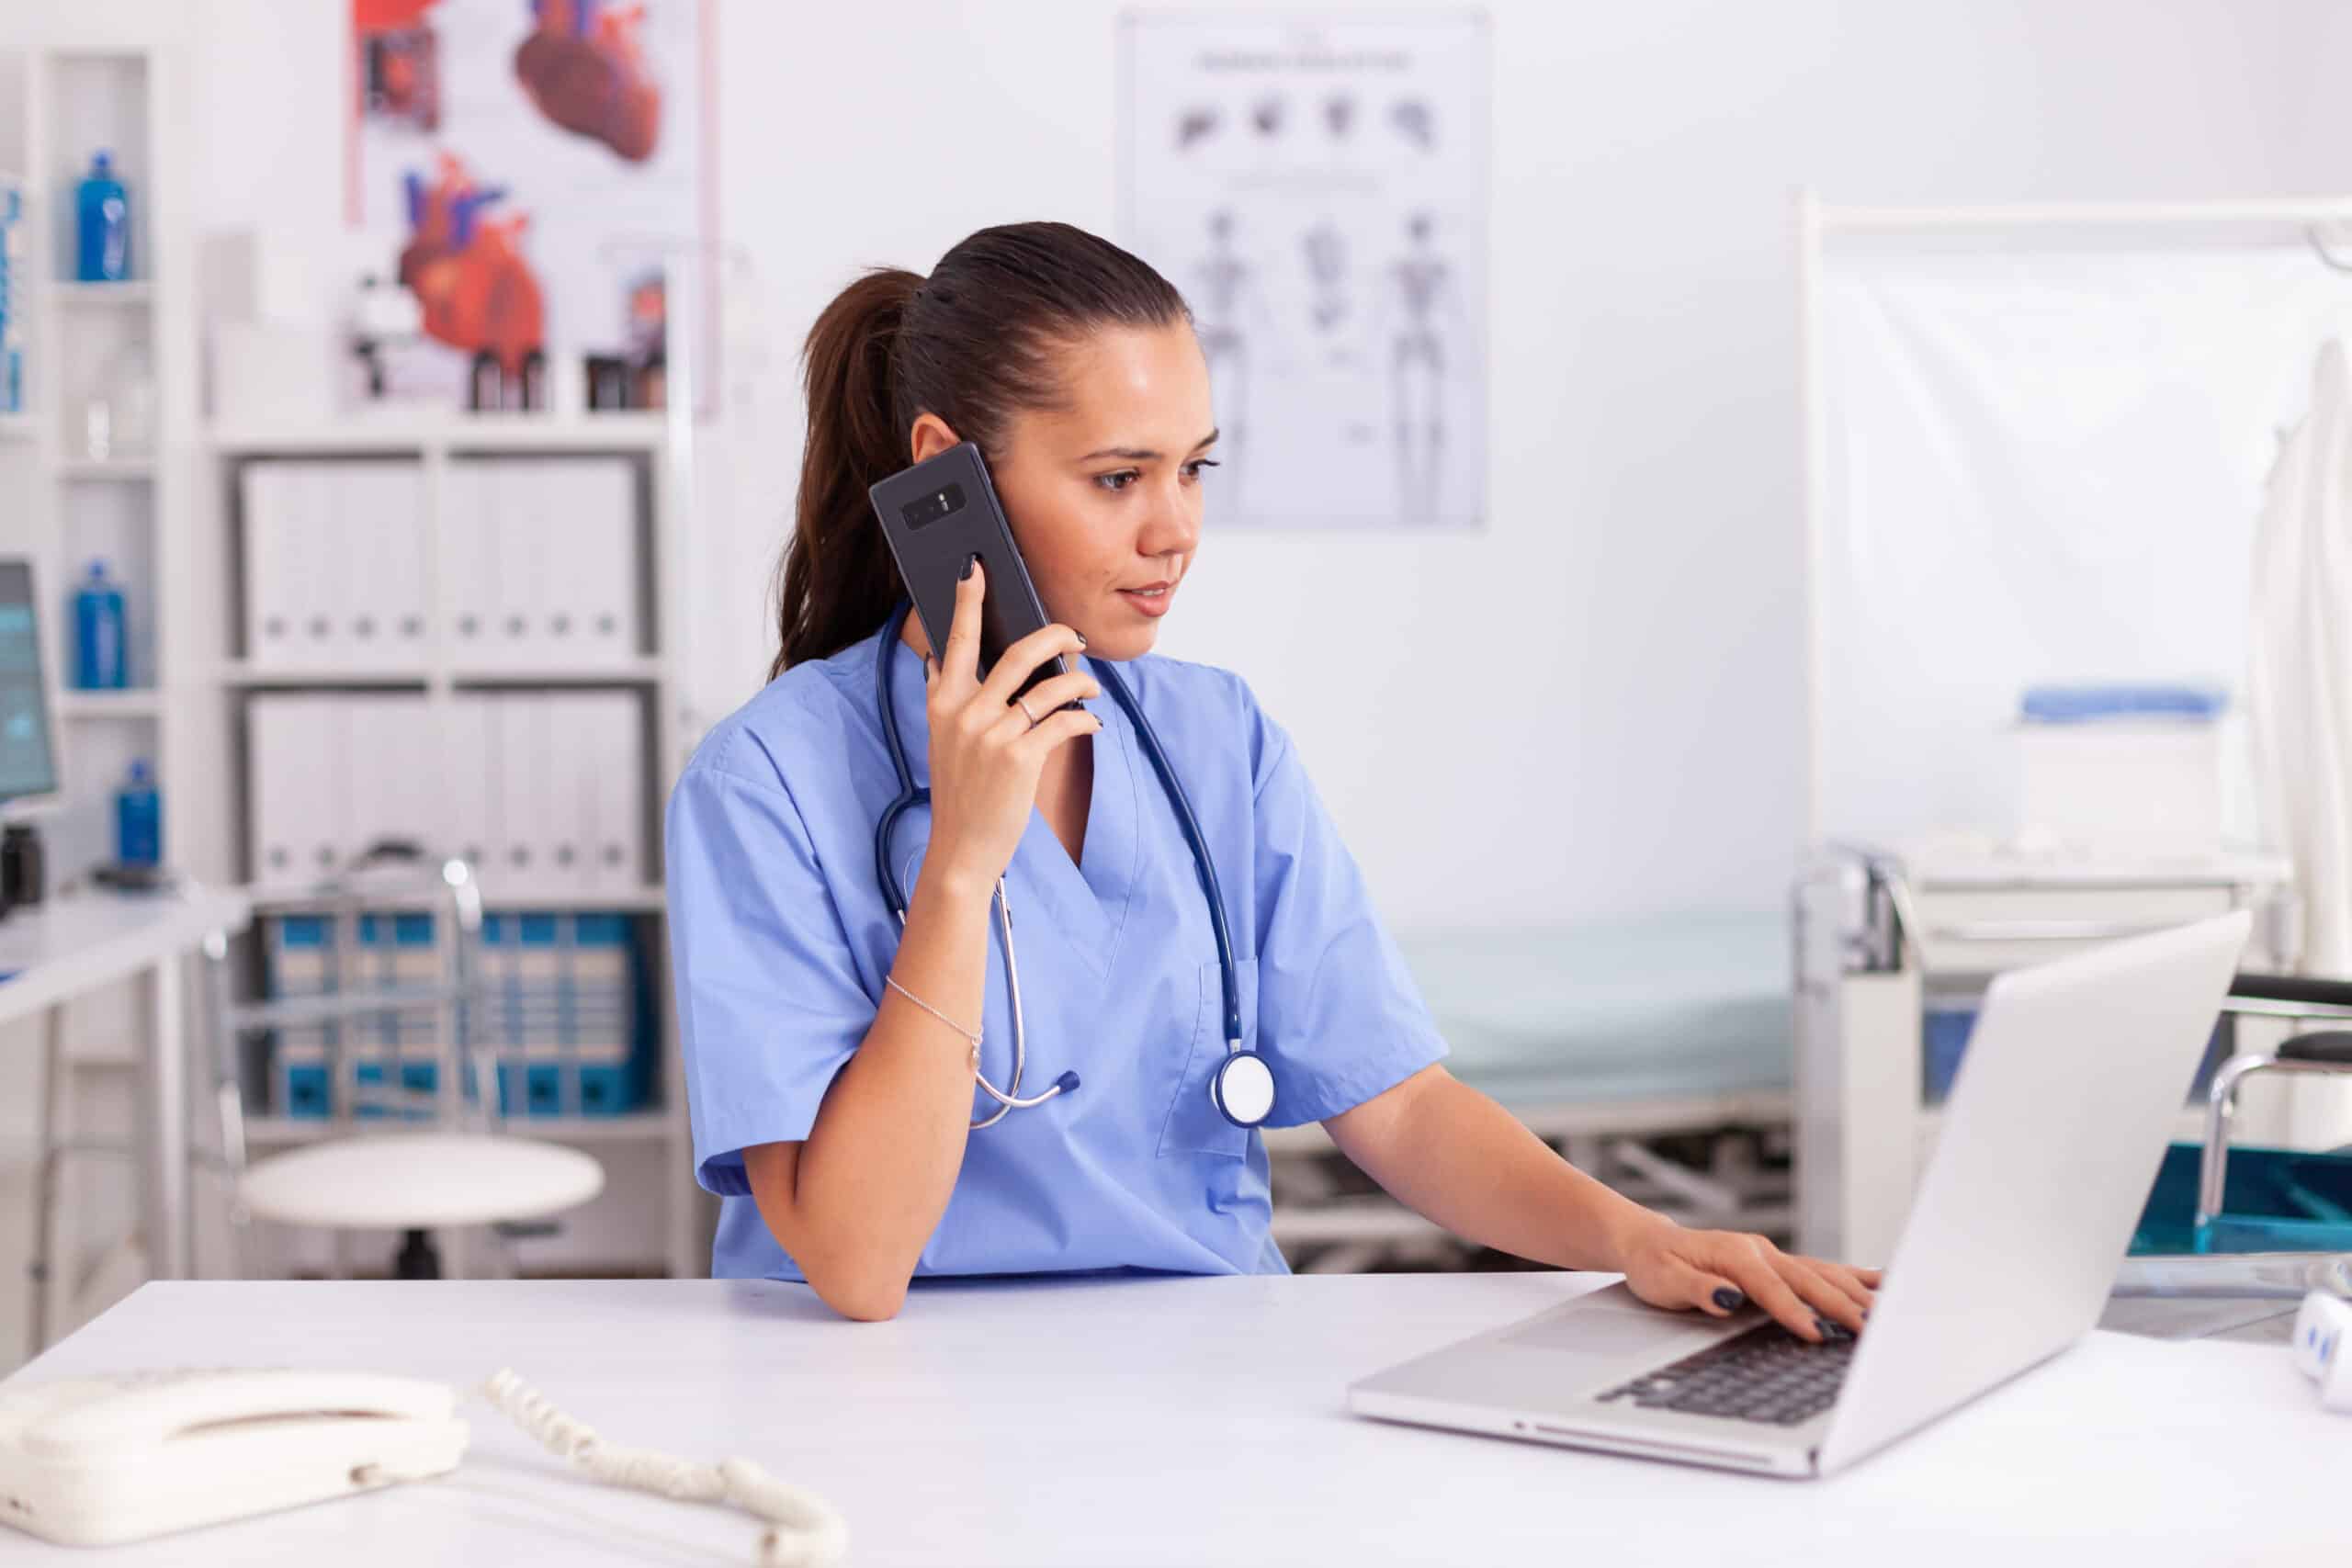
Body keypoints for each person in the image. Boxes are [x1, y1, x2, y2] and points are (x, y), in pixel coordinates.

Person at [666, 221, 1879, 1330]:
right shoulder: (764, 784)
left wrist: (1640, 1240)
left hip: (1208, 1375)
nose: (1175, 529)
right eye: (1116, 477)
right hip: (886, 1403)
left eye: (1195, 469)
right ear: (949, 475)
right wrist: (962, 870)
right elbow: (858, 1264)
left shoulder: (1214, 740)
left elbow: (1394, 1106)